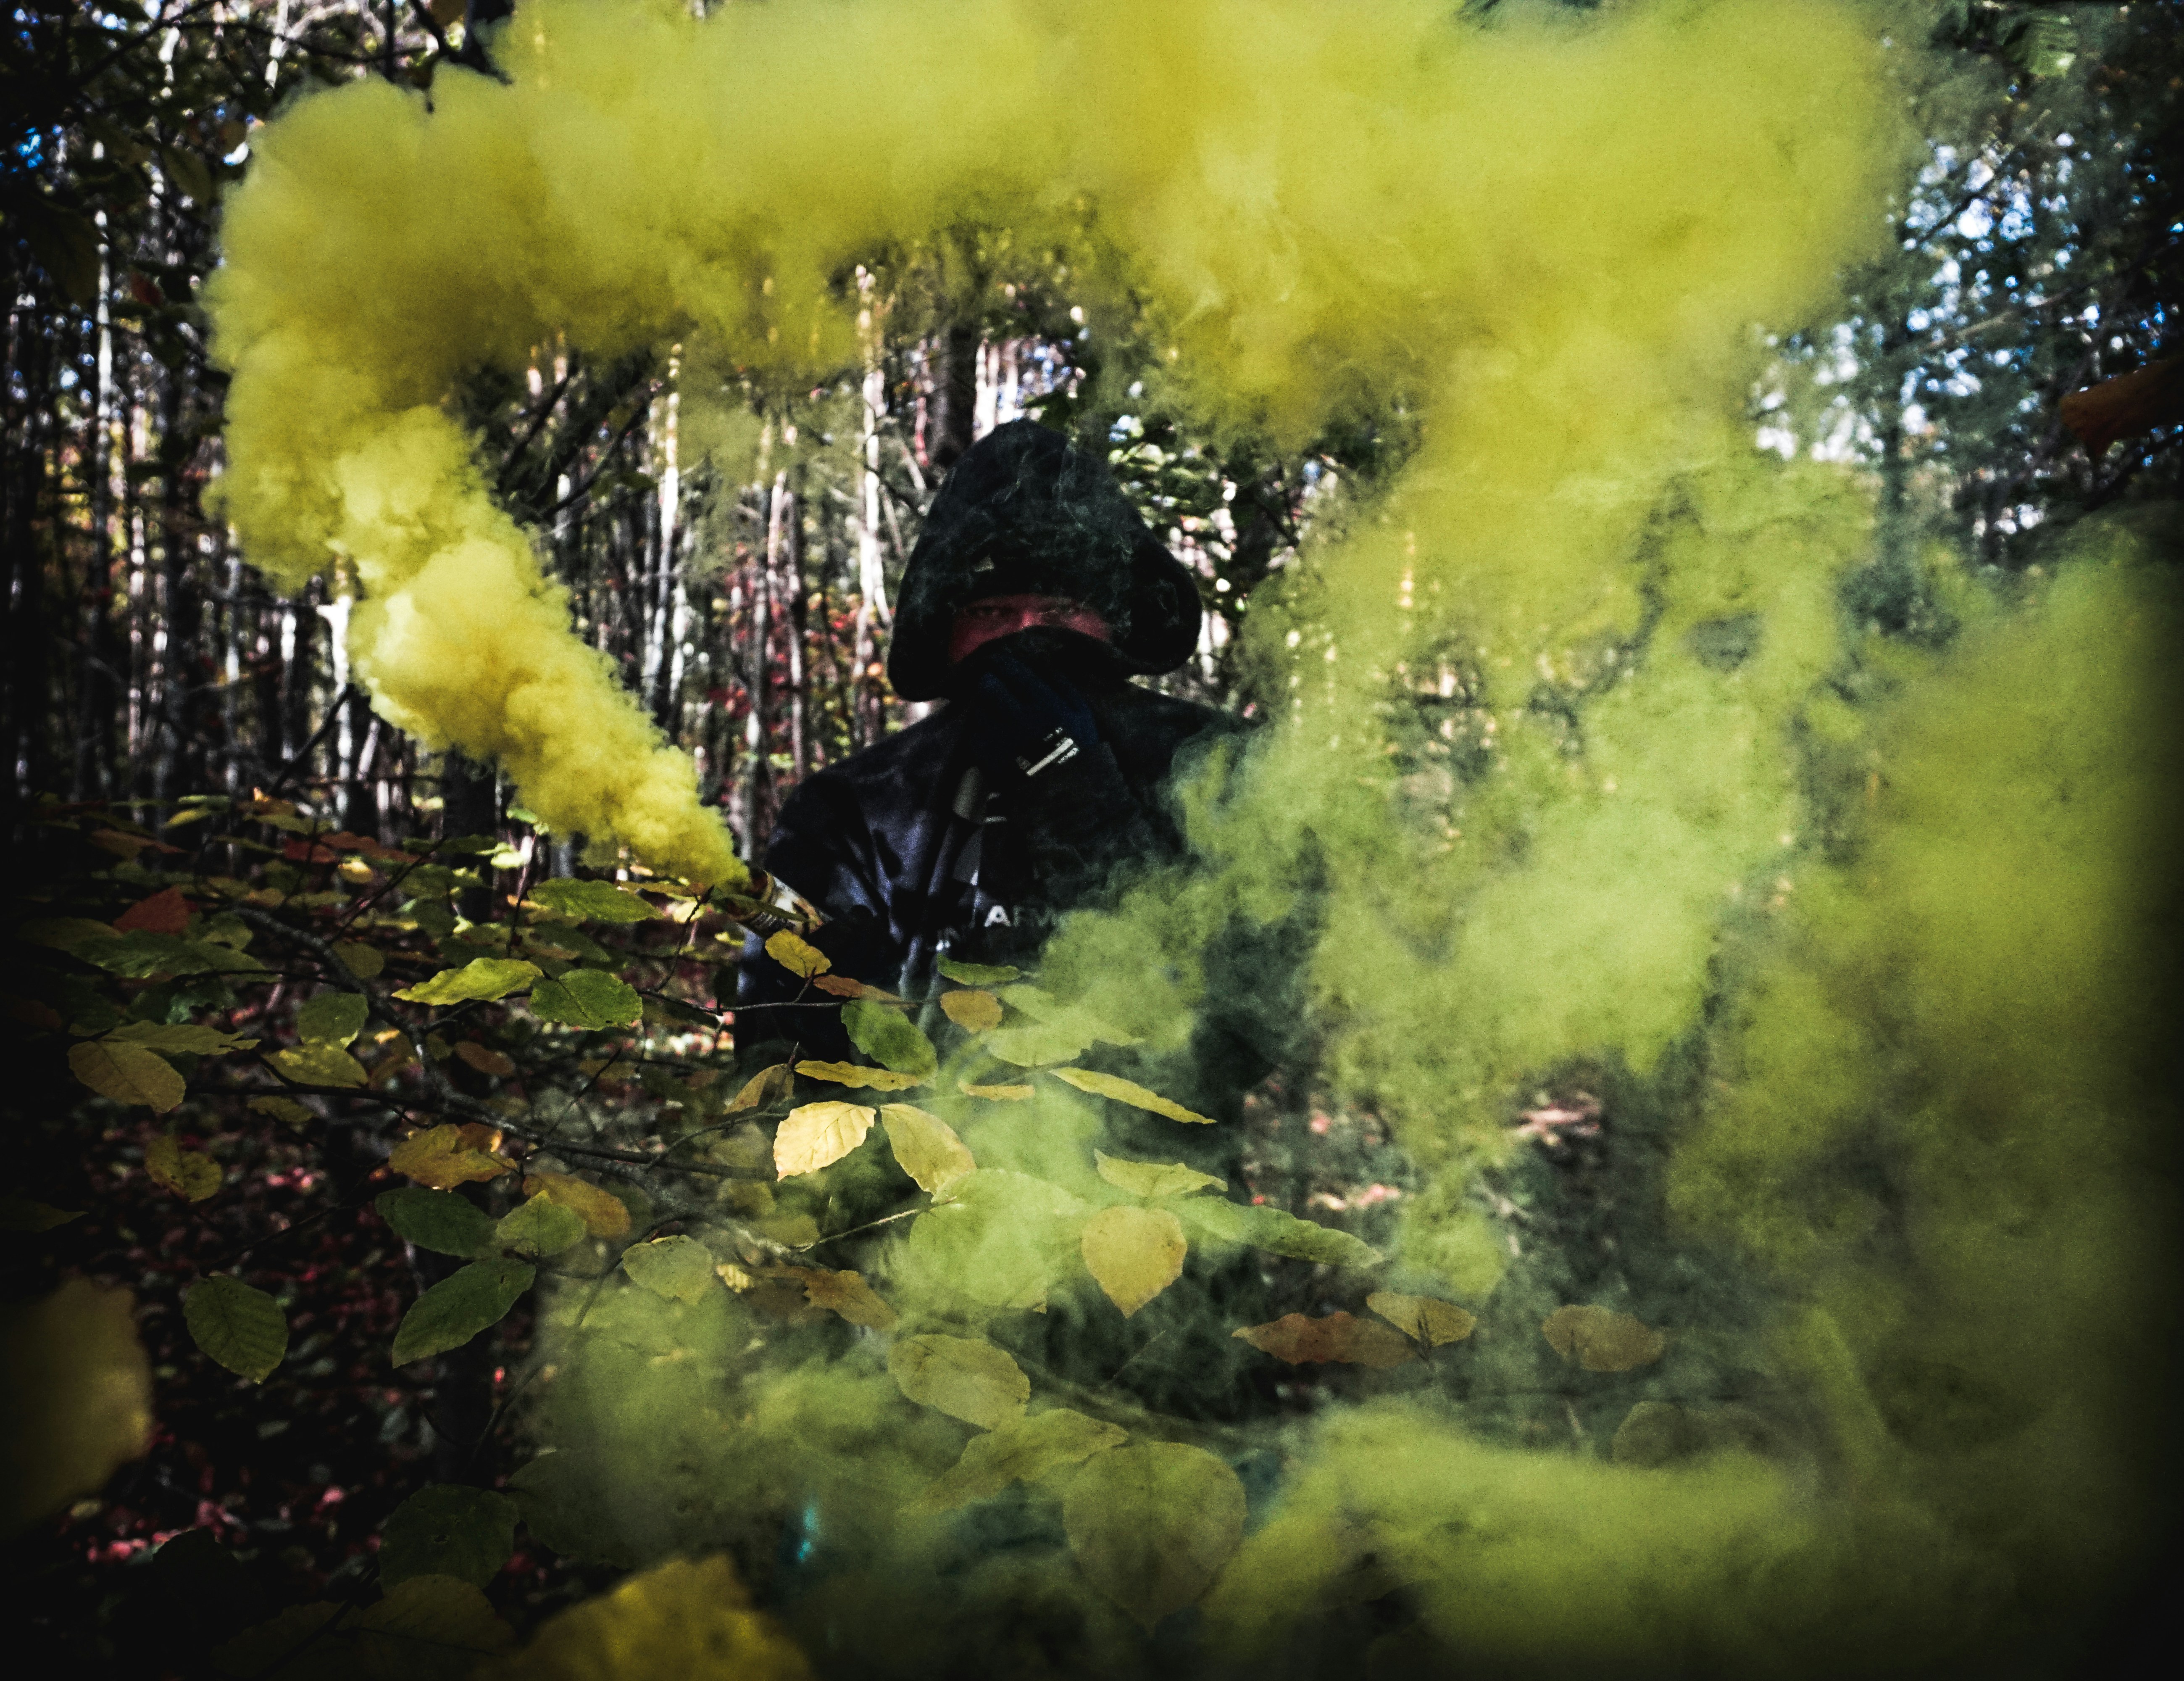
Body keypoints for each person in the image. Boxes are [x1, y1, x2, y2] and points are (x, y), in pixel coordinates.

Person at [734, 419, 1247, 1056]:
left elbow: (1246, 1027)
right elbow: (775, 1041)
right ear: (945, 631)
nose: (1027, 636)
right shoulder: (851, 807)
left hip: (1154, 1151)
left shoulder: (1217, 769)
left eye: (1061, 611)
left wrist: (1084, 803)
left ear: (1115, 622)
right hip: (905, 1149)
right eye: (990, 613)